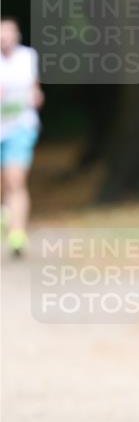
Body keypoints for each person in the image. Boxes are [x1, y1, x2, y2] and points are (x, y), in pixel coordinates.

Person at [0, 16, 44, 257]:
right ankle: (7, 213)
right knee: (5, 183)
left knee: (15, 179)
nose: (4, 38)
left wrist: (36, 96)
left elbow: (35, 88)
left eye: (8, 33)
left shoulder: (28, 57)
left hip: (21, 126)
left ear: (17, 36)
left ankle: (17, 233)